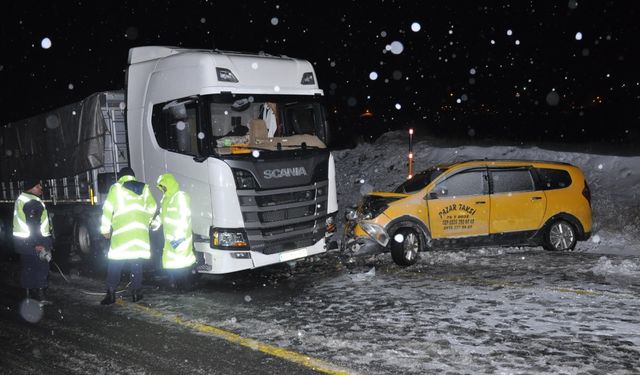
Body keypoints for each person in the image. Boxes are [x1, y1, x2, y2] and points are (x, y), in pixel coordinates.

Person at [99, 167, 157, 305]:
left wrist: (105, 230)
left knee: (115, 264)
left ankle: (111, 293)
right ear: (133, 176)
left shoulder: (117, 188)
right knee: (136, 265)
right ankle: (136, 293)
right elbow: (153, 206)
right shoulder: (144, 188)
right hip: (140, 235)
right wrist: (146, 220)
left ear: (121, 177)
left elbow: (107, 209)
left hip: (122, 235)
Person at [153, 173, 196, 290]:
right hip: (170, 238)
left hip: (180, 237)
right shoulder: (165, 199)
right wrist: (155, 224)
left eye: (163, 186)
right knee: (172, 262)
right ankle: (176, 284)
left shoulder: (180, 197)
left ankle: (185, 285)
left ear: (169, 184)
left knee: (183, 262)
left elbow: (184, 216)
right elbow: (162, 215)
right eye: (161, 187)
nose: (162, 189)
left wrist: (179, 235)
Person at [12, 178, 53, 303]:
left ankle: (28, 295)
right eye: (39, 186)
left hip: (23, 242)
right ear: (32, 187)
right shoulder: (32, 202)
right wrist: (38, 245)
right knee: (41, 267)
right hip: (34, 242)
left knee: (28, 267)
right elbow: (34, 225)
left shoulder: (22, 199)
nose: (41, 188)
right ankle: (41, 296)